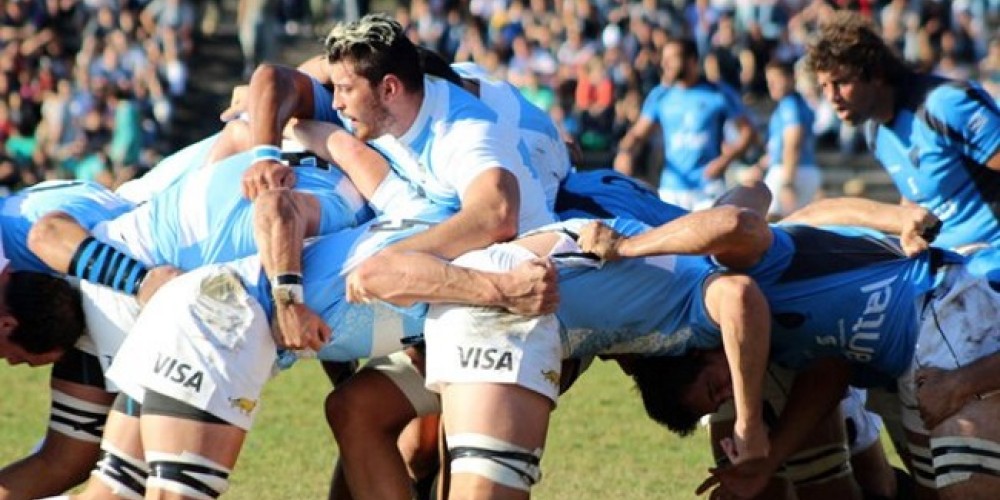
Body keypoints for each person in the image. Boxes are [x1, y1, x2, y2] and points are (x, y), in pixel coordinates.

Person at [578, 206, 1000, 499]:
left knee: (968, 487)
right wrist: (768, 460)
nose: (728, 393)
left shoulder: (738, 273)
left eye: (714, 387)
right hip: (917, 357)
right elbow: (829, 374)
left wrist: (628, 247)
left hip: (939, 302)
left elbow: (737, 221)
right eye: (721, 399)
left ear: (700, 351)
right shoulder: (774, 345)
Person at [613, 37, 755, 210]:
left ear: (692, 60)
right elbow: (637, 134)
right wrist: (625, 152)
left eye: (673, 58)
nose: (665, 64)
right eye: (664, 59)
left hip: (707, 188)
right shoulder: (660, 96)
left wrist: (724, 161)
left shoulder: (718, 93)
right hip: (671, 189)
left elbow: (748, 133)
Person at [750, 60, 821, 218]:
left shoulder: (791, 105)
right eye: (769, 81)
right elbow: (779, 147)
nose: (772, 85)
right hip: (801, 169)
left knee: (770, 224)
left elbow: (793, 144)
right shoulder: (794, 104)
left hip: (789, 170)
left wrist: (788, 182)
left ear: (790, 79)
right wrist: (761, 166)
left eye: (776, 80)